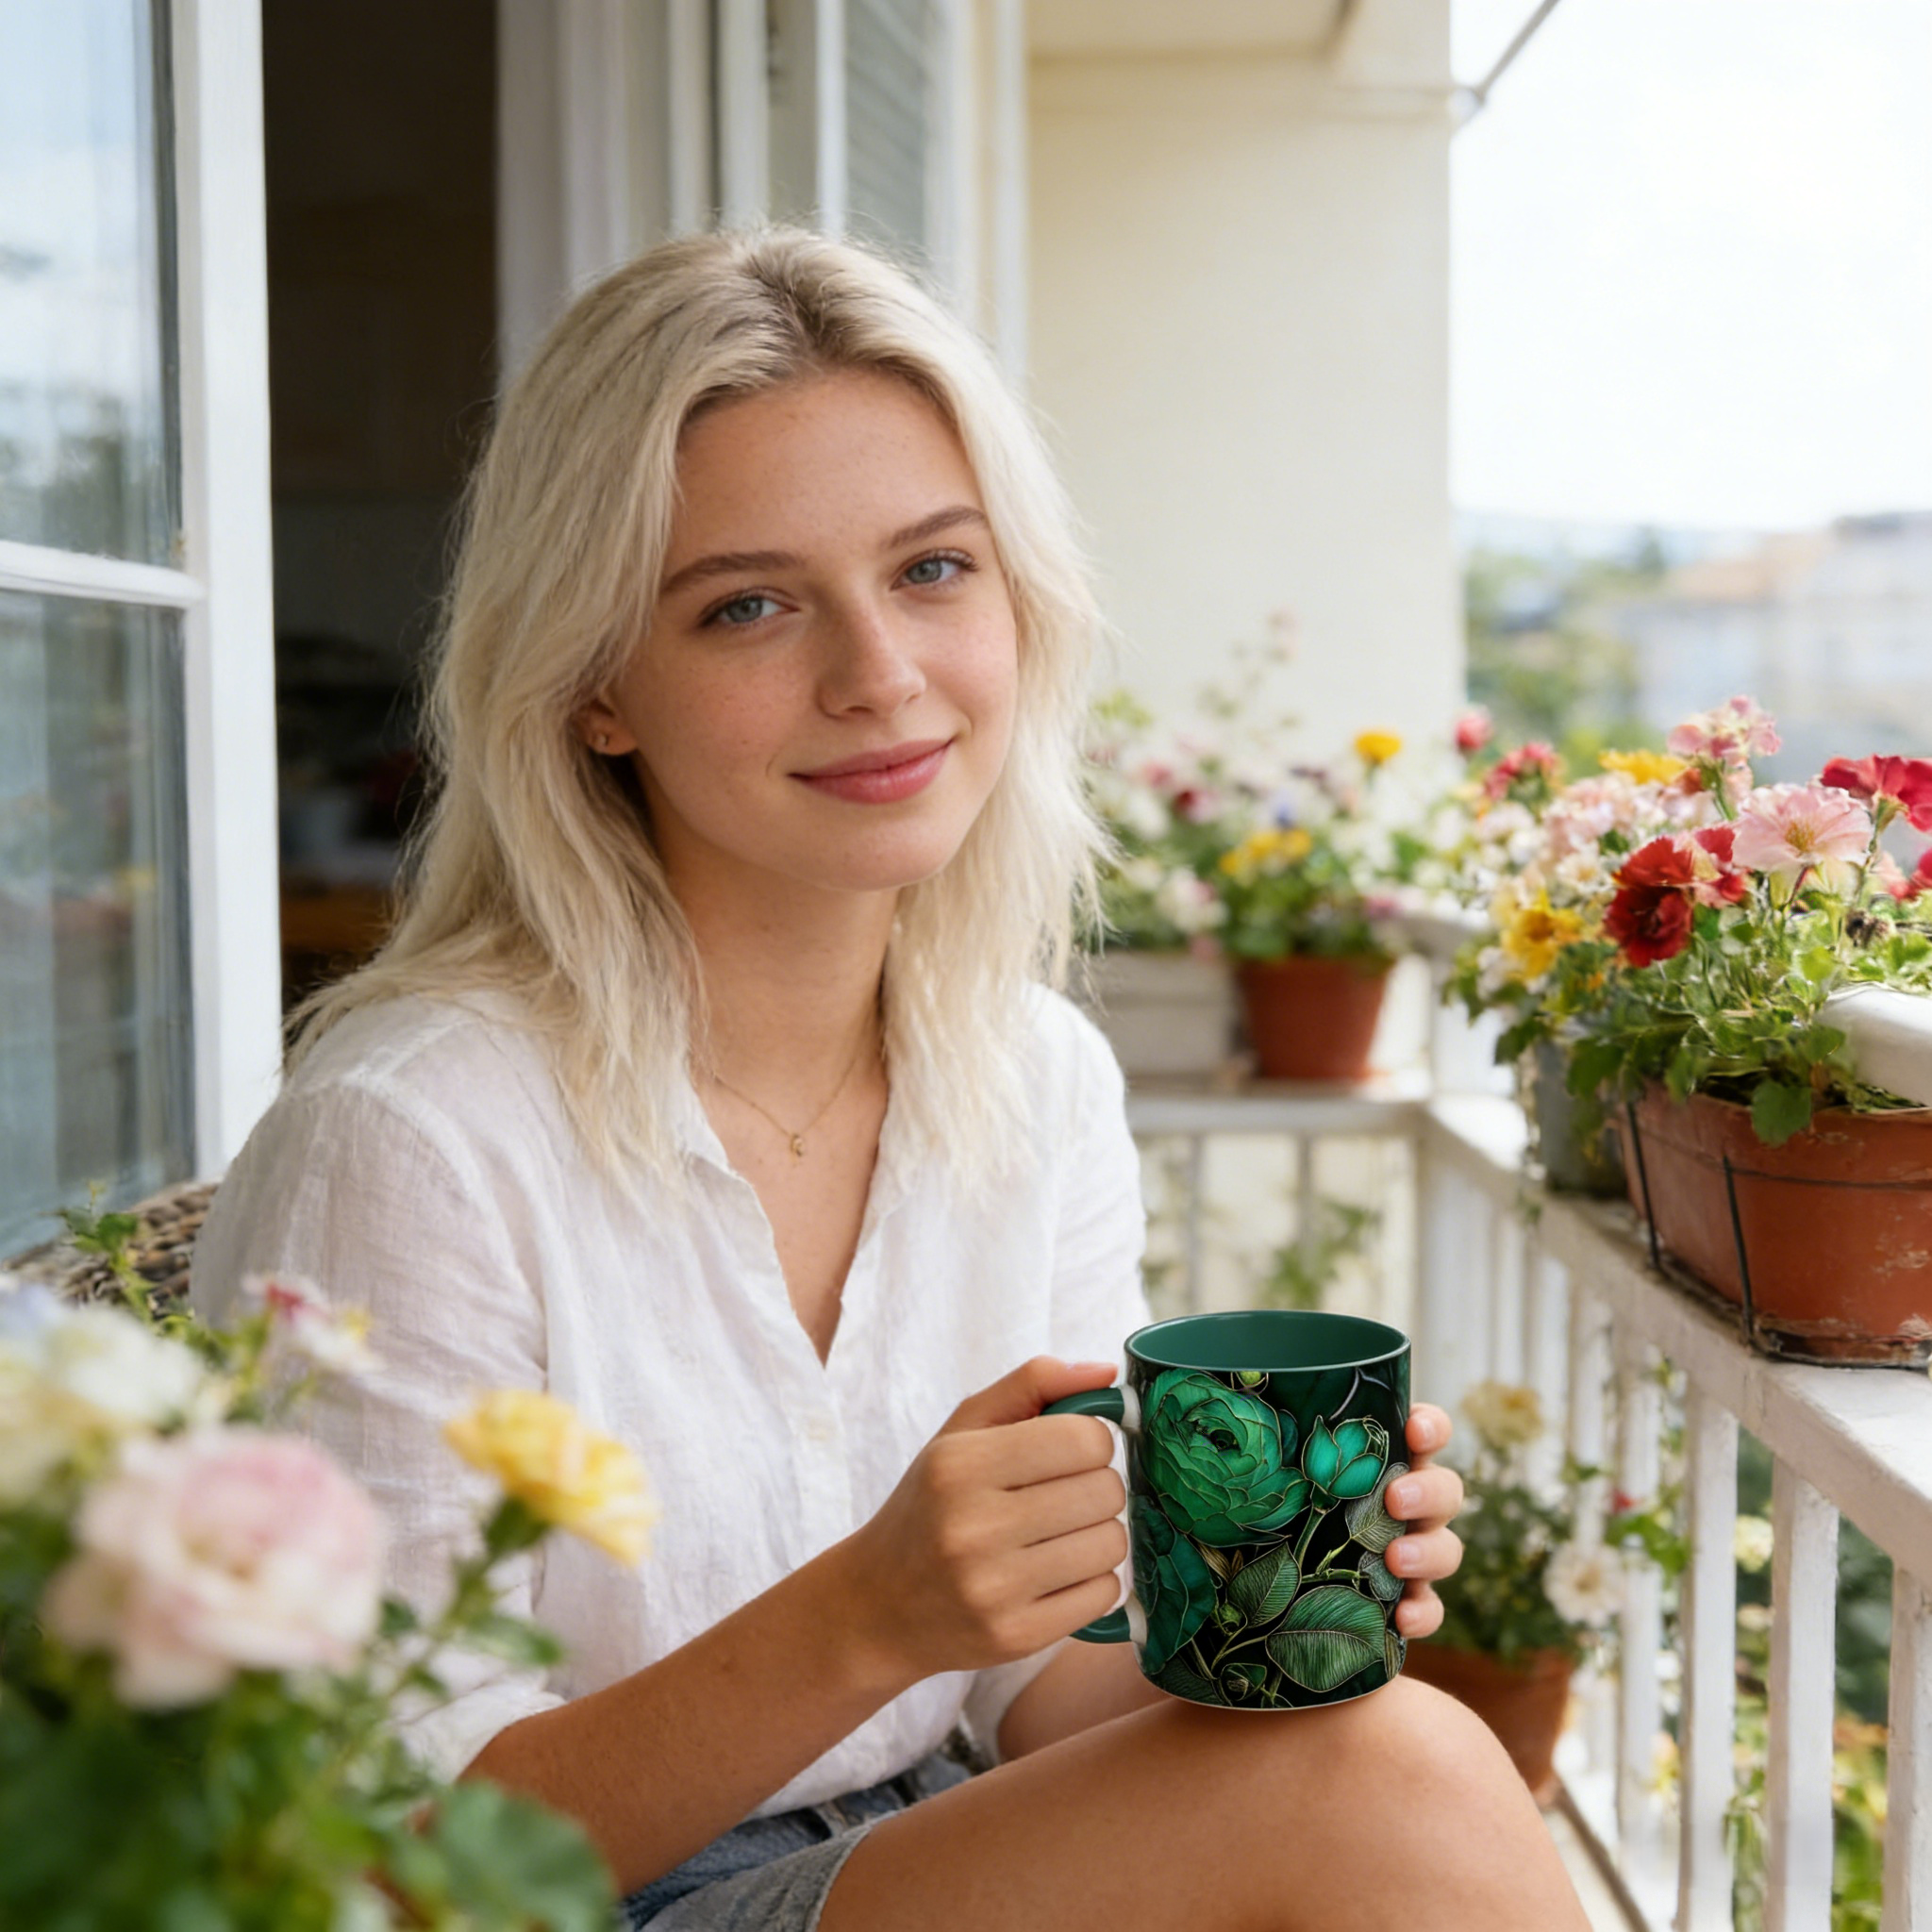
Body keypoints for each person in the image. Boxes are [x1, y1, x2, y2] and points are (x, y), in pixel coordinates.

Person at [191, 227, 1588, 1931]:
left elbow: (1034, 1692)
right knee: (1407, 1784)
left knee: (1382, 1745)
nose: (879, 675)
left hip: (923, 1841)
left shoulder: (1034, 1079)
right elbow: (363, 1856)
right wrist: (868, 1617)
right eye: (750, 605)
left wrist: (1272, 1609)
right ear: (592, 689)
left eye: (934, 569)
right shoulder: (410, 1139)